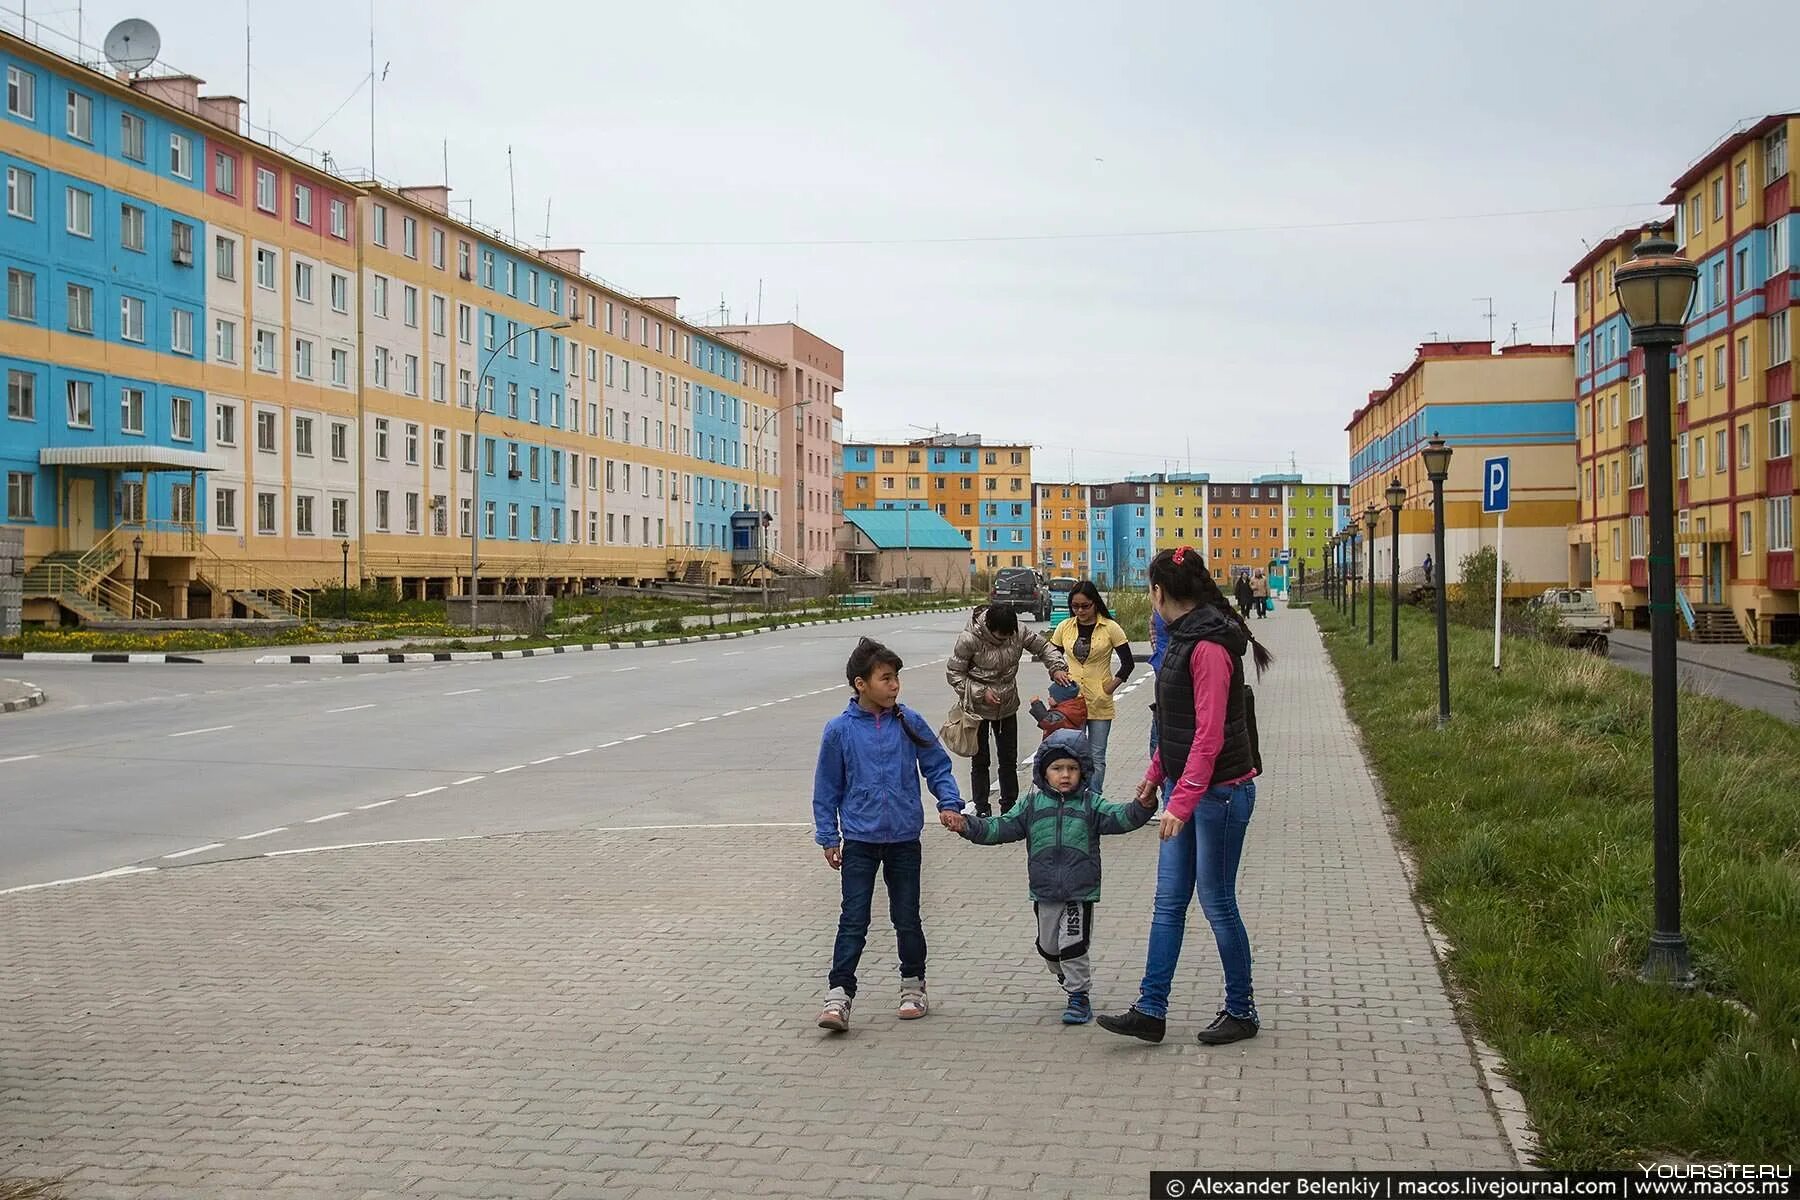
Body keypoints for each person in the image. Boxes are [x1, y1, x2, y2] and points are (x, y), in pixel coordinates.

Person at [1098, 546, 1273, 1048]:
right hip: (1187, 788)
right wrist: (1156, 775)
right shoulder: (1180, 639)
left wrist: (1182, 799)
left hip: (1221, 793)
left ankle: (1242, 1011)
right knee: (1168, 902)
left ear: (1159, 592)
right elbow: (1173, 721)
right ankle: (1151, 1010)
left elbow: (1210, 734)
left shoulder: (1211, 648)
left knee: (1217, 901)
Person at [943, 730, 1156, 1024]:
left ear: (1083, 771)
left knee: (1073, 945)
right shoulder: (1031, 805)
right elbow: (1001, 827)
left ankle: (1079, 996)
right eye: (1057, 768)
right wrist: (968, 825)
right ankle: (1065, 975)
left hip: (1078, 890)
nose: (1065, 775)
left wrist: (1143, 806)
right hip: (1044, 889)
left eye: (1072, 768)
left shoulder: (1091, 803)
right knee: (1048, 947)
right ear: (1044, 771)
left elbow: (1121, 817)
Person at [813, 638, 964, 1032]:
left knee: (907, 917)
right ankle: (838, 996)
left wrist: (949, 802)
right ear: (861, 684)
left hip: (903, 839)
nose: (895, 685)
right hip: (860, 841)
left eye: (896, 677)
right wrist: (829, 837)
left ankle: (913, 985)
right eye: (886, 678)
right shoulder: (839, 731)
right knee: (854, 919)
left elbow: (937, 765)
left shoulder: (908, 721)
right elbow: (826, 790)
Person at [946, 604, 1070, 818]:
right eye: (999, 636)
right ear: (988, 627)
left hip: (1007, 704)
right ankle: (982, 808)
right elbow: (954, 674)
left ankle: (1010, 808)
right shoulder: (969, 639)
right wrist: (981, 692)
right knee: (980, 759)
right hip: (978, 709)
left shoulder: (1018, 631)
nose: (1004, 639)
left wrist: (1057, 667)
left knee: (1008, 759)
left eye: (1008, 636)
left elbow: (1044, 648)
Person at [1048, 581, 1134, 796]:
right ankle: (1072, 798)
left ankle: (1093, 799)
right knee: (1070, 753)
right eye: (1075, 606)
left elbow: (1128, 663)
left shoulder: (1110, 627)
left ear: (1095, 603)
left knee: (1096, 755)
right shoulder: (1065, 627)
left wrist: (1111, 686)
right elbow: (1051, 657)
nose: (1080, 611)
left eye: (1085, 606)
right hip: (1070, 701)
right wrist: (1055, 679)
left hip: (1099, 701)